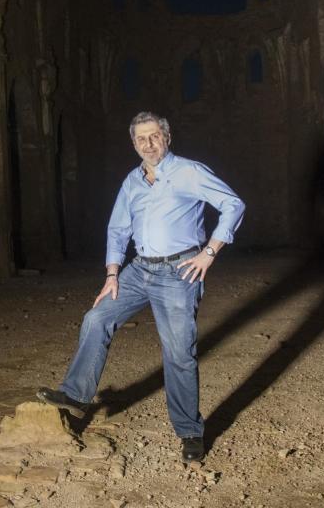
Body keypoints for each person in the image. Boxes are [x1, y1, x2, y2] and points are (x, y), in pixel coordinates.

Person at [37, 111, 245, 462]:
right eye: (140, 139)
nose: (148, 144)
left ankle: (190, 432)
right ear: (133, 144)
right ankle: (75, 395)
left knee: (179, 354)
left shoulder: (189, 172)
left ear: (167, 136)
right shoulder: (132, 181)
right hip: (138, 271)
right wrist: (112, 273)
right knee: (96, 318)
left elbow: (233, 205)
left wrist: (209, 253)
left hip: (180, 273)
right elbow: (118, 229)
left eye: (154, 136)